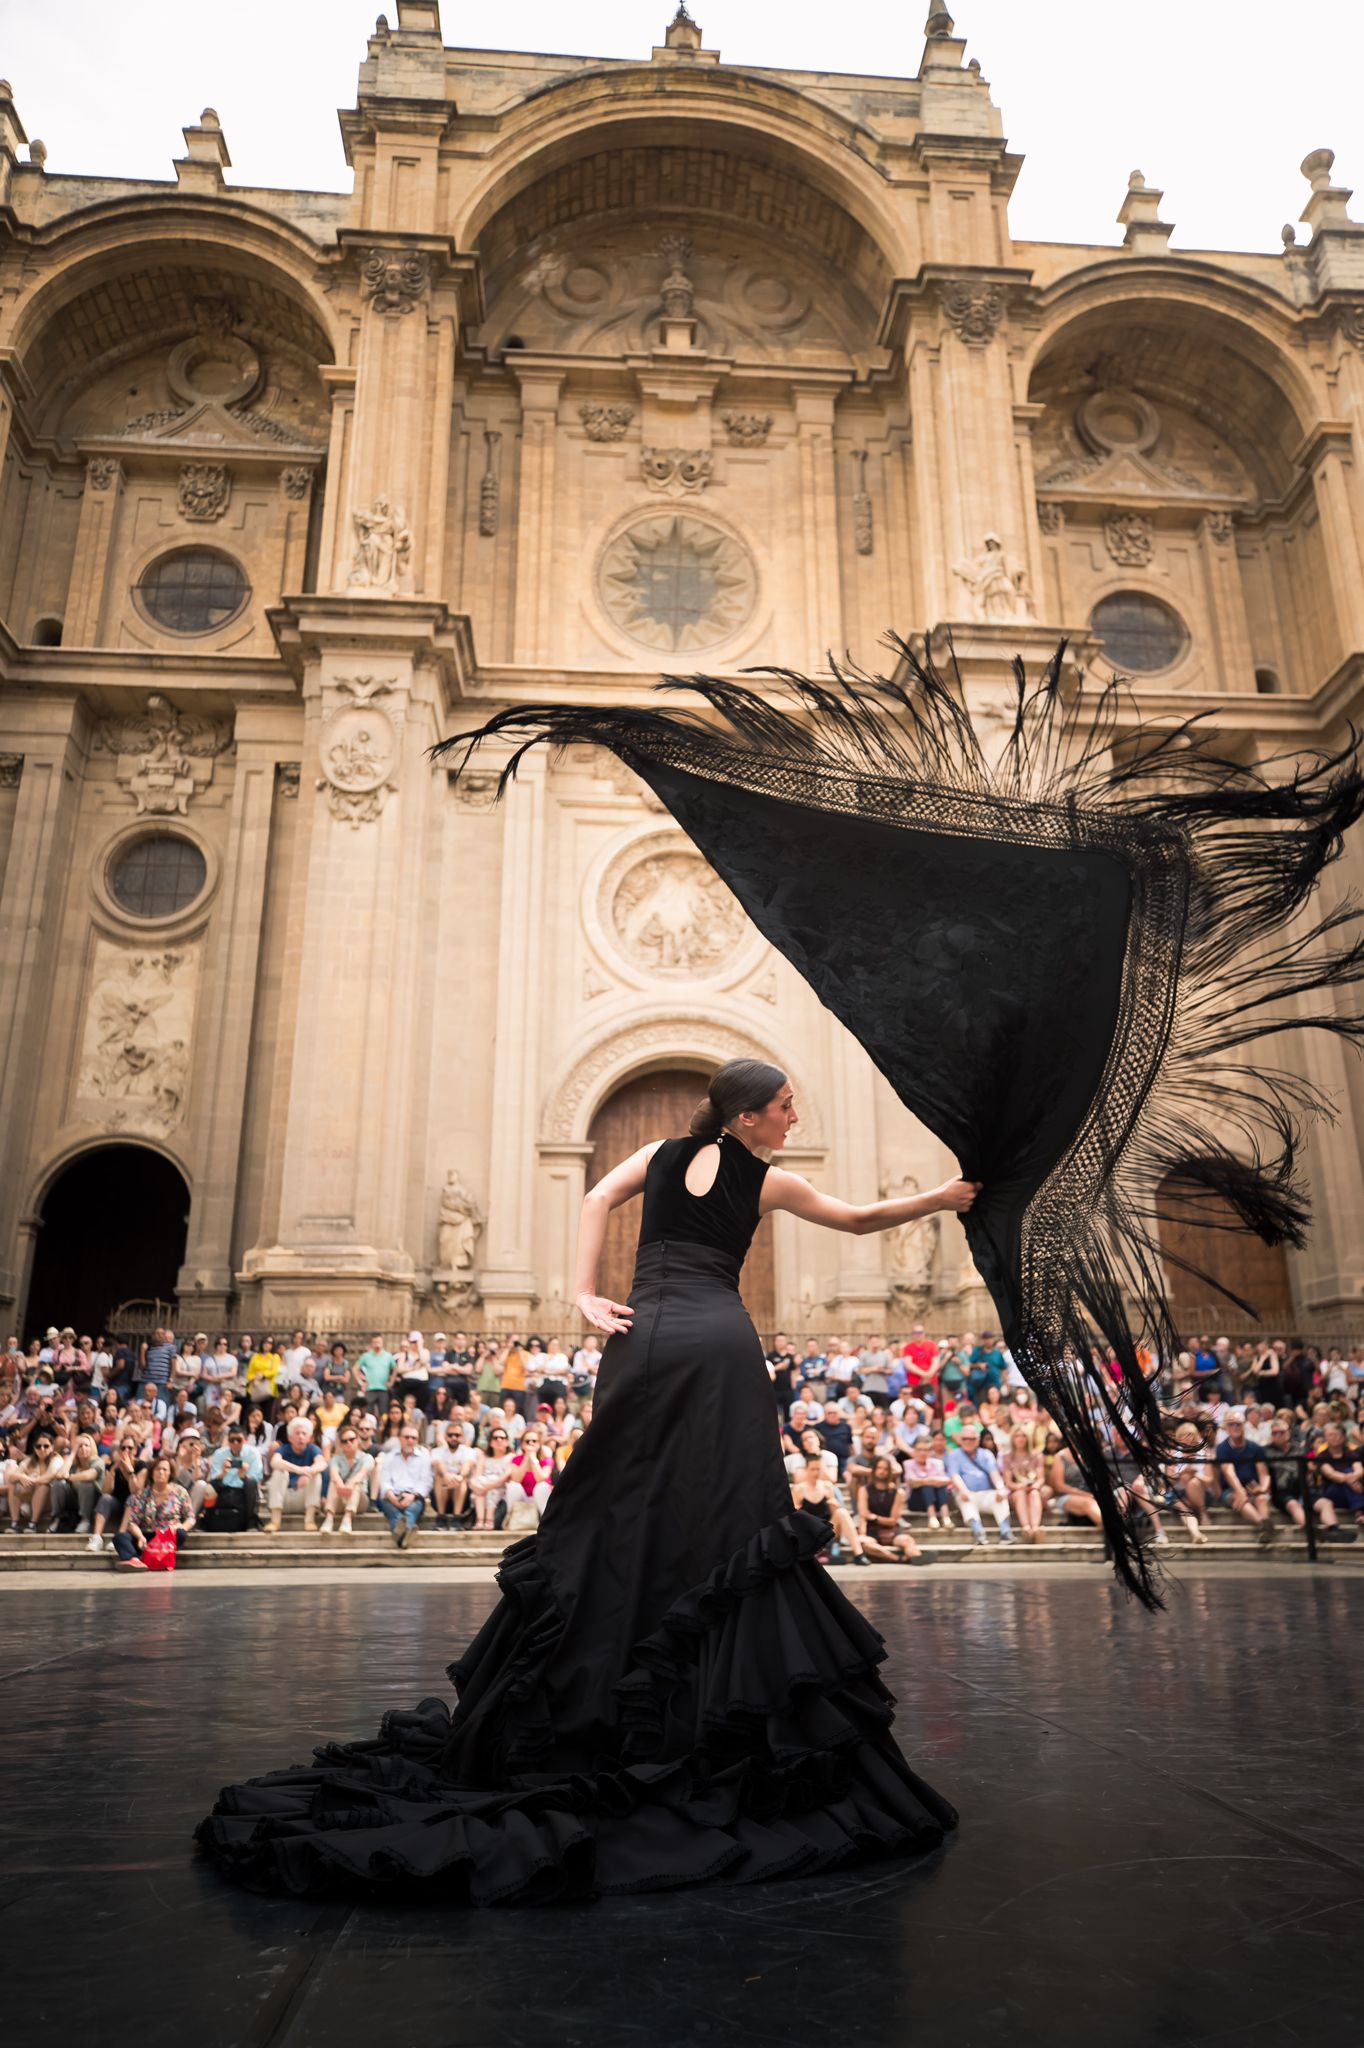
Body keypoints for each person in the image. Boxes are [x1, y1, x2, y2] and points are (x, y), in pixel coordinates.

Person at [199, 1057, 971, 1900]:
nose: (794, 1116)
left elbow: (596, 1198)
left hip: (641, 1344)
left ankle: (594, 1685)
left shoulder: (662, 1158)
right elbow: (860, 1220)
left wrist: (583, 1295)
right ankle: (707, 1703)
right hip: (717, 1346)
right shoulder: (766, 1179)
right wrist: (941, 1197)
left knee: (616, 1509)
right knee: (728, 1517)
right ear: (748, 1118)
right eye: (785, 1106)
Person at [113, 1453, 194, 1569]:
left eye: (165, 1469)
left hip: (167, 1537)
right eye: (157, 1469)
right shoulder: (143, 1494)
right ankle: (134, 1560)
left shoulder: (180, 1492)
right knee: (120, 1537)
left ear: (170, 1473)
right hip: (146, 1535)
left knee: (181, 1534)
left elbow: (190, 1517)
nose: (161, 1472)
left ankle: (156, 1557)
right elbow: (132, 1522)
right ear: (152, 1473)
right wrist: (140, 1536)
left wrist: (182, 1526)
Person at [946, 1422, 1015, 1546]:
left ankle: (1006, 1532)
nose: (967, 1441)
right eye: (964, 1439)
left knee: (1000, 1497)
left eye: (971, 1439)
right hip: (967, 1493)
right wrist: (963, 1490)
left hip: (986, 1493)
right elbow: (954, 1476)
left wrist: (1000, 1488)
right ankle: (979, 1533)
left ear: (977, 1440)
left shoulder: (986, 1454)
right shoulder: (954, 1455)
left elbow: (994, 1474)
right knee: (966, 1501)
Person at [854, 1456, 924, 1563]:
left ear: (890, 1472)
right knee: (865, 1544)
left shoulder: (898, 1493)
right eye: (879, 1468)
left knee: (907, 1540)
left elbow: (893, 1521)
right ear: (874, 1470)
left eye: (886, 1469)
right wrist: (862, 1533)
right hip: (871, 1531)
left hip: (892, 1531)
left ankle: (917, 1557)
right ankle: (898, 1559)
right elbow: (863, 1514)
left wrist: (874, 1517)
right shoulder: (864, 1490)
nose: (882, 1471)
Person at [375, 1422, 433, 1548]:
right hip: (392, 1496)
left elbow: (426, 1482)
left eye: (414, 1438)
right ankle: (407, 1533)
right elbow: (384, 1481)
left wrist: (412, 1496)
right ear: (400, 1438)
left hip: (414, 1497)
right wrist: (393, 1499)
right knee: (392, 1510)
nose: (410, 1441)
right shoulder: (389, 1457)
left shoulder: (424, 1457)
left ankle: (400, 1531)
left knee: (411, 1511)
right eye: (406, 1437)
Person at [265, 1417, 326, 1534]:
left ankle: (309, 1520)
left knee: (316, 1475)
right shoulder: (284, 1449)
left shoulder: (313, 1449)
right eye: (297, 1433)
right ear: (290, 1438)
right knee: (278, 1472)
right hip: (285, 1499)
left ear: (309, 1437)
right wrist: (299, 1470)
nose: (301, 1436)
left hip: (304, 1500)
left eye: (304, 1433)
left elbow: (322, 1463)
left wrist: (309, 1472)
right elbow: (274, 1462)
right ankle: (275, 1521)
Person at [205, 1428, 263, 1531]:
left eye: (239, 1440)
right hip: (224, 1488)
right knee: (210, 1487)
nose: (235, 1443)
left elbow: (257, 1478)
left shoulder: (253, 1453)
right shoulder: (219, 1454)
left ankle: (251, 1522)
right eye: (232, 1440)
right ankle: (207, 1521)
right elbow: (214, 1479)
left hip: (244, 1489)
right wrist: (223, 1473)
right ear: (228, 1440)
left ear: (245, 1440)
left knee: (251, 1483)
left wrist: (243, 1476)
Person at [321, 1425, 373, 1535]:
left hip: (360, 1501)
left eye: (351, 1439)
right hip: (340, 1498)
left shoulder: (367, 1458)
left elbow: (361, 1474)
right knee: (334, 1481)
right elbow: (334, 1473)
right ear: (341, 1444)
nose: (348, 1443)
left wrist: (350, 1484)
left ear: (357, 1440)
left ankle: (347, 1519)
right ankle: (329, 1519)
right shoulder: (336, 1458)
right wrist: (340, 1484)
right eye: (345, 1441)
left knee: (355, 1483)